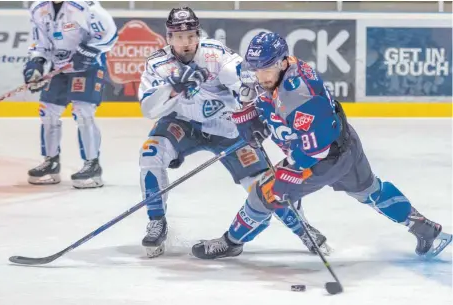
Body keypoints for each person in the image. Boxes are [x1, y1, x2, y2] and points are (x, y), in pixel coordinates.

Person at [192, 32, 452, 259]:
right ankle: (426, 228)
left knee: (264, 194)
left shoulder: (299, 95)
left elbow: (314, 151)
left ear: (283, 62)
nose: (260, 76)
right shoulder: (282, 71)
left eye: (266, 69)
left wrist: (287, 177)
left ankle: (231, 243)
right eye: (257, 68)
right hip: (346, 144)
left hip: (322, 158)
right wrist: (252, 115)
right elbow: (269, 100)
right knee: (370, 190)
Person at [138, 7, 330, 258]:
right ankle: (157, 221)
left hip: (227, 128)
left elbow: (247, 83)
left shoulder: (215, 54)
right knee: (150, 154)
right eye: (179, 36)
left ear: (198, 34)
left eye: (191, 35)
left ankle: (302, 228)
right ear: (169, 37)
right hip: (183, 124)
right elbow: (148, 109)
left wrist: (245, 102)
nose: (187, 42)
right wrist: (173, 89)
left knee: (263, 185)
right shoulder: (157, 64)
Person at [24, 1, 118, 188]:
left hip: (88, 66)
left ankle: (92, 164)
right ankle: (51, 162)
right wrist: (35, 66)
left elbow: (109, 34)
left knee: (83, 112)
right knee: (47, 112)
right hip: (59, 68)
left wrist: (86, 52)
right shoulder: (38, 8)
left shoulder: (83, 6)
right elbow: (40, 44)